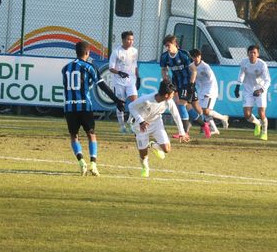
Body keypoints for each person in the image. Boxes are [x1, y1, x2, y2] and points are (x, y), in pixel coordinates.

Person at [62, 40, 125, 176]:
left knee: (74, 136)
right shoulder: (89, 67)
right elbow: (102, 86)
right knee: (91, 134)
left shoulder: (65, 68)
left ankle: (81, 162)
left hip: (69, 107)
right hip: (85, 105)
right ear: (87, 52)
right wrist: (116, 100)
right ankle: (93, 165)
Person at [127, 80, 187, 178]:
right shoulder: (146, 99)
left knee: (167, 149)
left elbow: (176, 115)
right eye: (172, 94)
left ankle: (152, 145)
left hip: (156, 124)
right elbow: (131, 106)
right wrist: (141, 121)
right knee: (143, 154)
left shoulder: (169, 102)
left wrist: (182, 132)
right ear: (166, 95)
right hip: (141, 126)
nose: (174, 96)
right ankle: (145, 168)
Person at [160, 34, 197, 141]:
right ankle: (204, 124)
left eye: (169, 45)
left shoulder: (183, 55)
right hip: (175, 83)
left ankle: (184, 132)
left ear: (175, 44)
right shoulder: (164, 56)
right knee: (185, 106)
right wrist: (166, 79)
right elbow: (163, 69)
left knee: (181, 105)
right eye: (166, 46)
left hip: (186, 82)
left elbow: (194, 70)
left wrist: (191, 84)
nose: (167, 48)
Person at [235, 44, 271, 141]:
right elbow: (241, 73)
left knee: (261, 113)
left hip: (260, 90)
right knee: (247, 114)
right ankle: (257, 123)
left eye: (254, 53)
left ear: (258, 54)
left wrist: (261, 90)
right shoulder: (244, 62)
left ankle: (264, 132)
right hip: (248, 89)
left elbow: (268, 80)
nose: (252, 54)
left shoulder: (262, 64)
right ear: (248, 54)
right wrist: (238, 86)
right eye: (251, 53)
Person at [189, 48, 229, 136]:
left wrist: (208, 91)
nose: (196, 58)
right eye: (194, 57)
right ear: (192, 57)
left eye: (198, 56)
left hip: (210, 90)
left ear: (200, 56)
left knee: (206, 111)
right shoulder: (191, 66)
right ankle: (215, 130)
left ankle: (223, 118)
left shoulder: (205, 66)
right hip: (201, 90)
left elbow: (211, 80)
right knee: (204, 112)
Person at [109, 30, 141, 133]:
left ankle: (130, 122)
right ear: (123, 40)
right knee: (120, 104)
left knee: (136, 102)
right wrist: (119, 72)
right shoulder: (116, 52)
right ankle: (122, 127)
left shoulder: (134, 51)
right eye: (128, 39)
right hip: (118, 82)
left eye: (132, 39)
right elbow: (111, 68)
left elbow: (135, 65)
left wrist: (138, 77)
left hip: (131, 81)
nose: (131, 41)